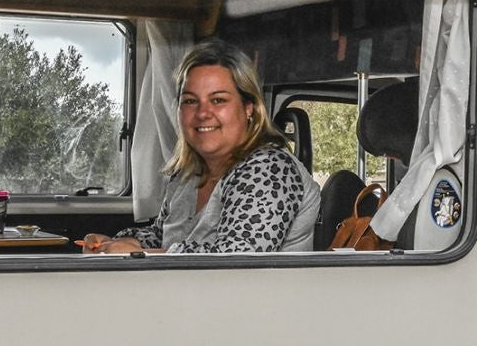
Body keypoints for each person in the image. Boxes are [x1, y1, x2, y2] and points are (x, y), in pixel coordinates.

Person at [82, 41, 317, 255]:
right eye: (191, 101)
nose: (203, 113)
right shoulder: (186, 174)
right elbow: (162, 235)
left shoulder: (270, 169)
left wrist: (138, 255)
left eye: (218, 100)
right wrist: (116, 243)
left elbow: (237, 259)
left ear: (249, 108)